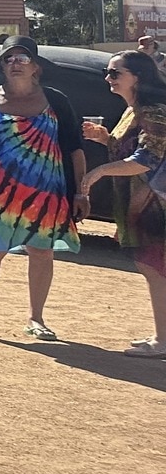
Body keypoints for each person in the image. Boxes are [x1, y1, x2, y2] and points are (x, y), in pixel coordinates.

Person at [0, 36, 86, 343]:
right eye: (9, 58)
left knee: (41, 253)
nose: (15, 64)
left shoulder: (56, 101)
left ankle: (36, 319)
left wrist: (81, 191)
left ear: (36, 67)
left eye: (22, 58)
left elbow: (75, 148)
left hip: (47, 193)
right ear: (1, 65)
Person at [77, 50, 166, 357]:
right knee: (152, 267)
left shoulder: (152, 112)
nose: (108, 78)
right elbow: (130, 149)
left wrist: (99, 171)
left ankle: (163, 341)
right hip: (141, 202)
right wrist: (106, 139)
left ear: (137, 77)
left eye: (115, 73)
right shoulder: (134, 110)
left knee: (154, 267)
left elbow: (146, 159)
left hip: (155, 204)